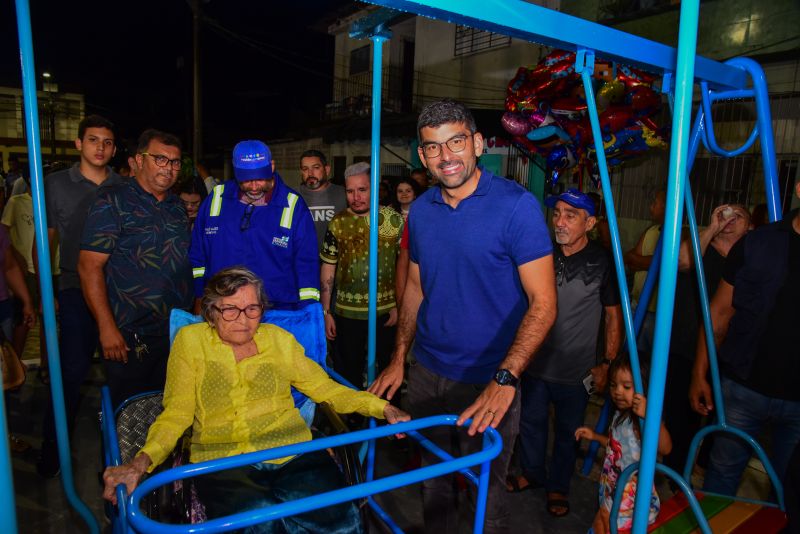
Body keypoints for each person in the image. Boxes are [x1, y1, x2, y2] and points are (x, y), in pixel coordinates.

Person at [102, 267, 410, 533]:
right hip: (221, 458)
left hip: (291, 449)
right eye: (230, 310)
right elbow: (178, 413)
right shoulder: (190, 342)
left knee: (341, 520)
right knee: (259, 521)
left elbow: (325, 389)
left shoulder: (277, 339)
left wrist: (383, 407)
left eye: (252, 309)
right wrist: (140, 463)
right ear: (211, 312)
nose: (243, 320)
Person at [369, 99, 556, 533]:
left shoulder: (516, 206)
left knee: (484, 498)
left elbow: (544, 303)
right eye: (432, 148)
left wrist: (505, 379)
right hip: (428, 373)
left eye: (455, 142)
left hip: (488, 381)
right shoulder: (422, 213)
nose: (445, 157)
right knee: (432, 486)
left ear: (476, 143)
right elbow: (415, 288)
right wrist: (400, 358)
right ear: (422, 155)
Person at [512, 189, 622, 517]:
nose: (559, 222)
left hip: (577, 371)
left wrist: (606, 364)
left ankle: (558, 486)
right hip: (534, 362)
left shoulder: (603, 261)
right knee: (530, 424)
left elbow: (613, 316)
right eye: (557, 213)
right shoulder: (540, 253)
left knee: (568, 432)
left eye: (570, 215)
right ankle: (532, 474)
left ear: (589, 223)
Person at [689, 184, 800, 496]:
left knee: (789, 492)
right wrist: (699, 373)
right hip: (743, 388)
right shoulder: (759, 243)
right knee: (721, 479)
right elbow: (720, 312)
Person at [79, 128, 192, 410]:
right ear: (139, 160)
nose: (169, 168)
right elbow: (89, 267)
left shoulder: (178, 207)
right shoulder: (113, 201)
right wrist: (106, 328)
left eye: (175, 162)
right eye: (160, 159)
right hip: (129, 334)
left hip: (175, 331)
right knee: (129, 413)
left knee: (169, 410)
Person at [37, 114, 124, 478]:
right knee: (71, 372)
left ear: (114, 148)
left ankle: (122, 458)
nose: (100, 147)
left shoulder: (123, 186)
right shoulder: (55, 184)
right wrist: (43, 290)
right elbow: (45, 241)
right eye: (92, 140)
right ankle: (51, 456)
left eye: (106, 142)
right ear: (78, 144)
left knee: (121, 373)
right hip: (73, 286)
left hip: (116, 288)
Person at [661, 203, 750, 474]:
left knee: (721, 416)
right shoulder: (703, 247)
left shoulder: (749, 256)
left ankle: (704, 466)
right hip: (685, 346)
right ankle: (676, 471)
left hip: (729, 353)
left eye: (739, 216)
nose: (730, 219)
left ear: (750, 226)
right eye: (726, 213)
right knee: (681, 414)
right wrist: (711, 228)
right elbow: (680, 261)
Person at [190, 140, 319, 311]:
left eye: (260, 179)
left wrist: (308, 312)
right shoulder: (216, 199)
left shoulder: (294, 205)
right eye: (246, 181)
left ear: (272, 167)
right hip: (222, 308)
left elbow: (307, 264)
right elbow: (198, 253)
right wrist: (199, 294)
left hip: (276, 310)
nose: (254, 186)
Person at [320, 162, 403, 389]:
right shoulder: (338, 222)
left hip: (386, 312)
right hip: (346, 313)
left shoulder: (393, 221)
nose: (355, 197)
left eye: (362, 190)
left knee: (387, 369)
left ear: (375, 188)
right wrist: (326, 311)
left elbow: (403, 267)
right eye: (350, 191)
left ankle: (387, 418)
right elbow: (329, 266)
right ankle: (353, 421)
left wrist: (398, 305)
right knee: (348, 371)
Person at [576, 356, 672, 534]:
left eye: (626, 387)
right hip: (613, 481)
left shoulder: (641, 421)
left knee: (603, 523)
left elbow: (666, 448)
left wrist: (650, 416)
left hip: (630, 490)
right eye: (613, 385)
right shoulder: (621, 414)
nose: (618, 392)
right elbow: (617, 448)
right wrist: (595, 437)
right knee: (607, 525)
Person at [624, 189, 666, 359]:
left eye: (655, 203)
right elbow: (629, 258)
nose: (651, 207)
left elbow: (665, 265)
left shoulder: (681, 234)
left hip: (658, 312)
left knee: (652, 361)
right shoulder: (651, 231)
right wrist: (650, 263)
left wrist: (646, 262)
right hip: (639, 305)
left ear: (665, 206)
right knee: (632, 358)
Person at [297, 149, 346, 251]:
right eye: (305, 169)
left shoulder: (344, 194)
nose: (310, 173)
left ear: (327, 170)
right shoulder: (292, 196)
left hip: (337, 262)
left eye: (316, 168)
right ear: (301, 172)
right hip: (303, 263)